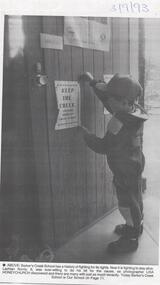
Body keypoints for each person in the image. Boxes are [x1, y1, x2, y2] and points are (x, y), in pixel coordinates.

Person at [78, 72, 148, 254]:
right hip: (135, 162)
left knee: (126, 203)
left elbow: (104, 146)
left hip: (124, 168)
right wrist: (93, 82)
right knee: (135, 197)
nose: (108, 103)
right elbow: (108, 96)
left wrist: (86, 136)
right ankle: (136, 226)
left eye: (112, 100)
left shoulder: (119, 124)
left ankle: (131, 238)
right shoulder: (134, 110)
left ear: (124, 102)